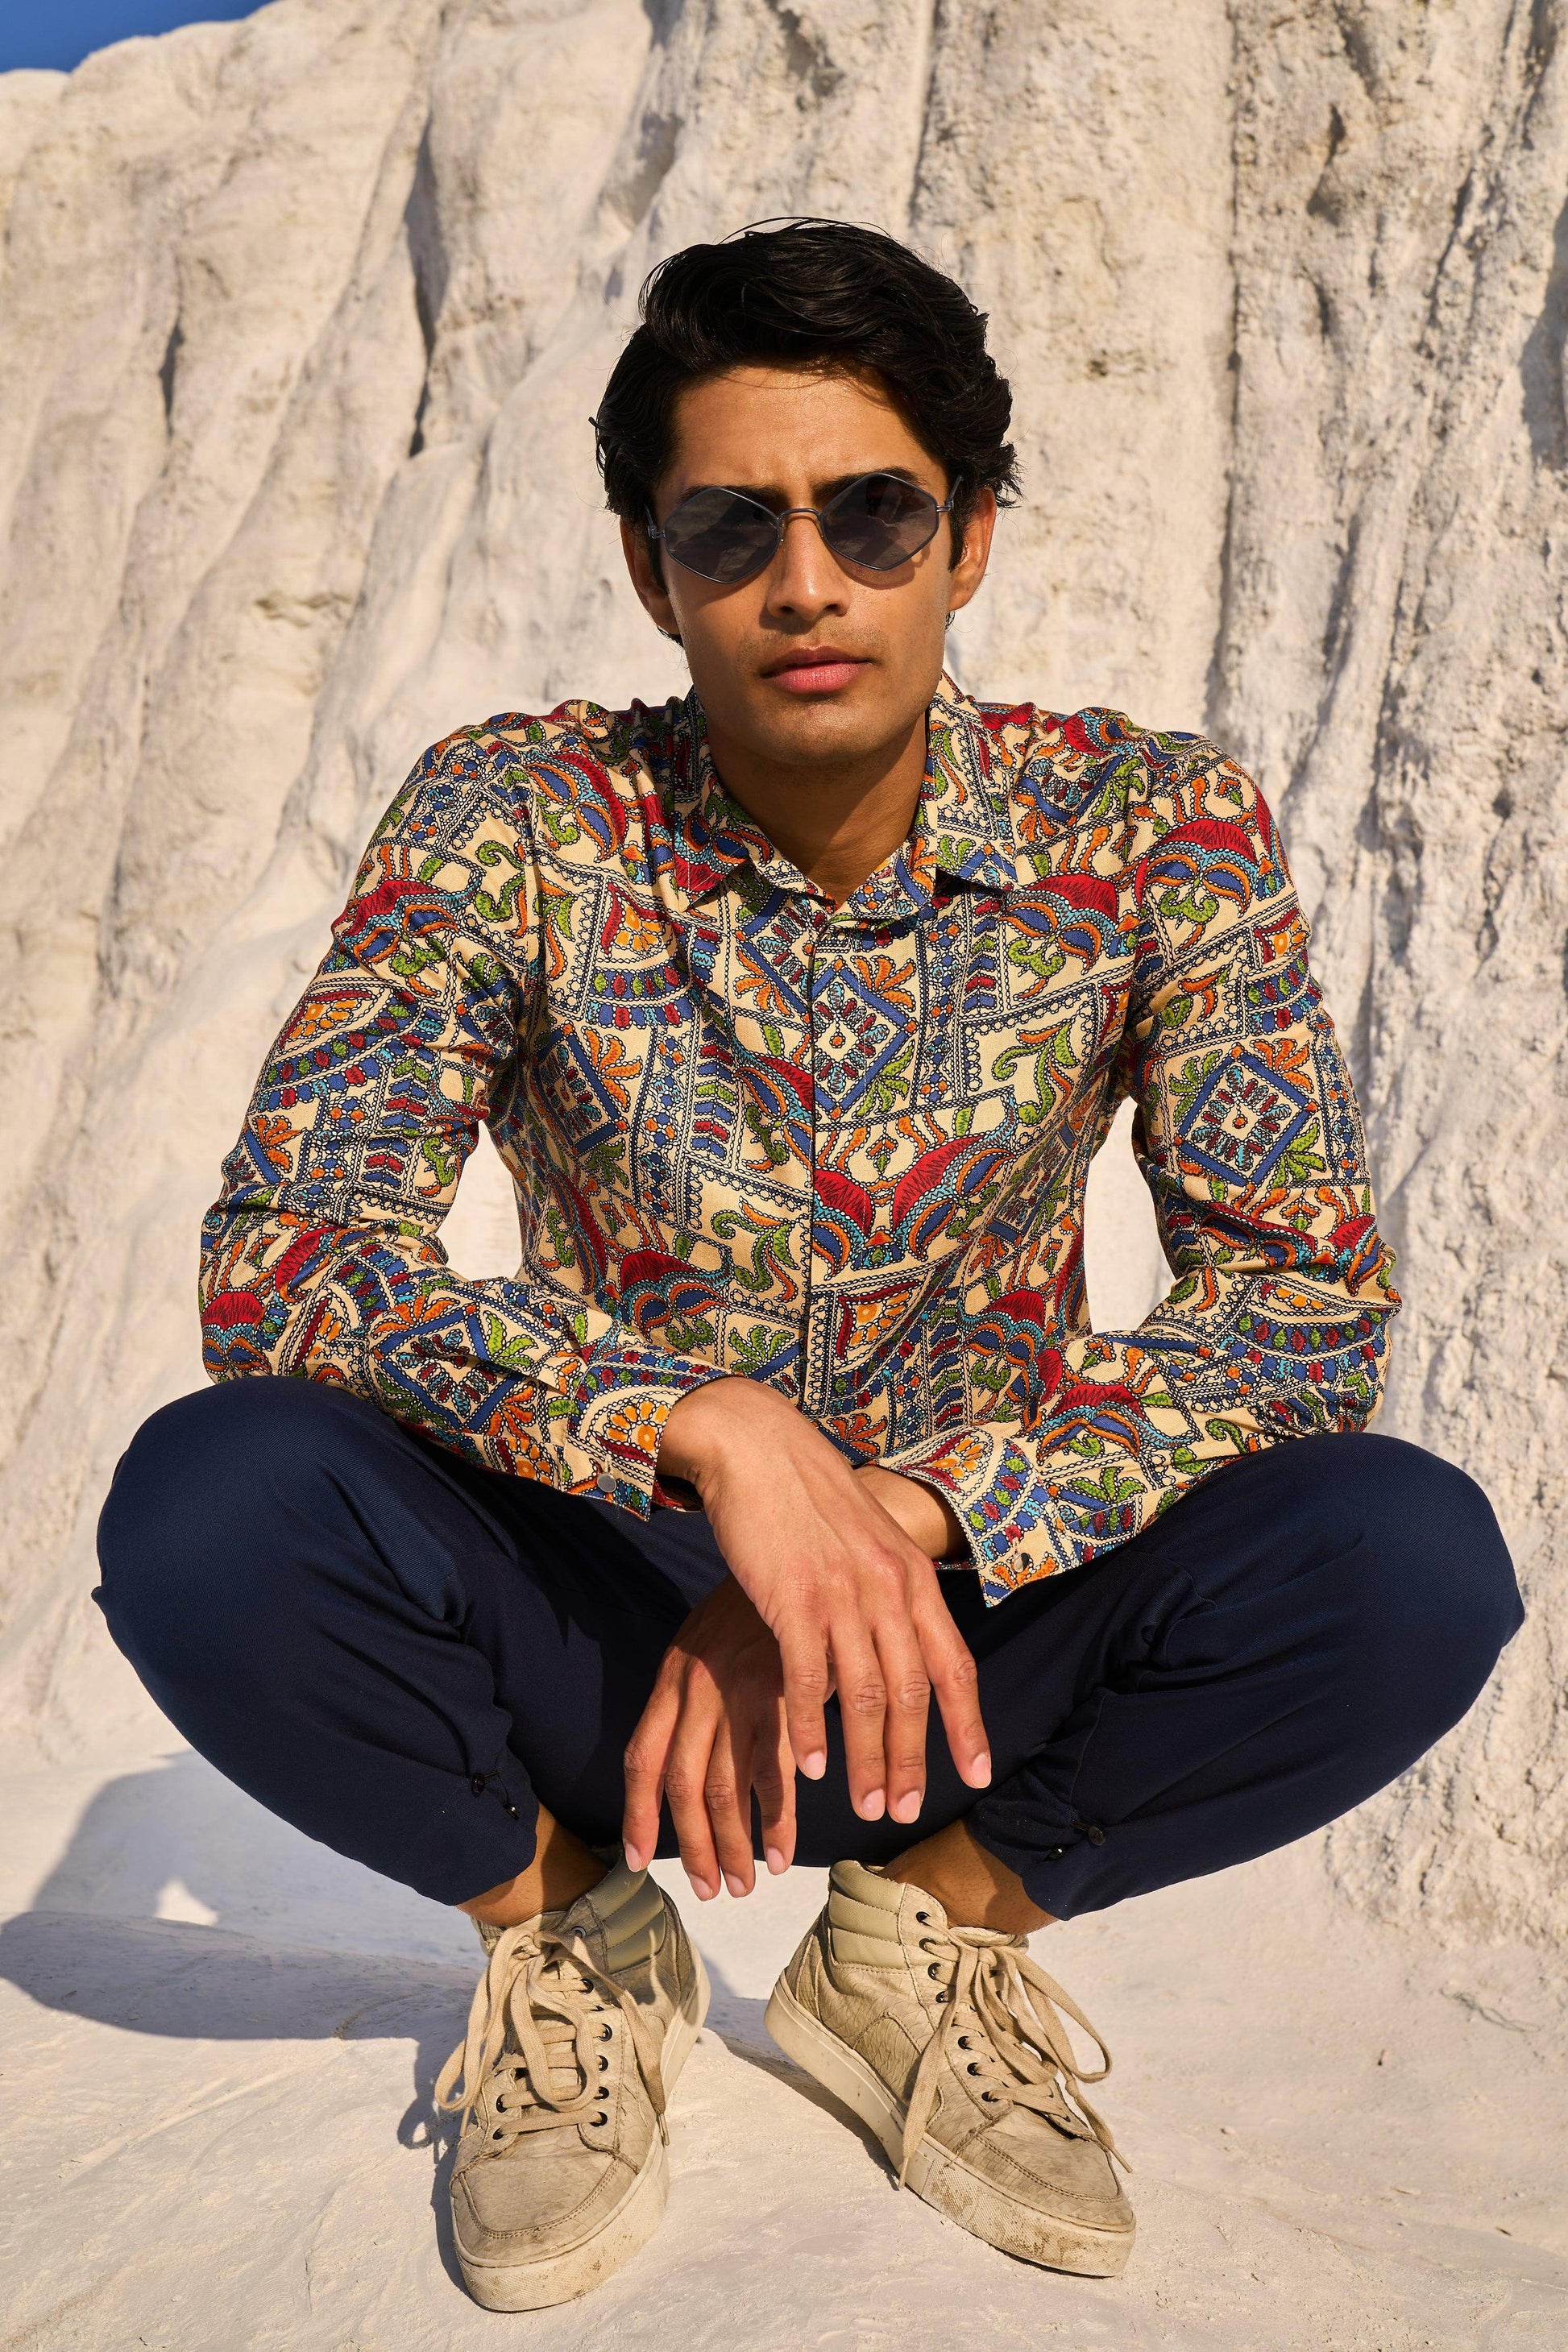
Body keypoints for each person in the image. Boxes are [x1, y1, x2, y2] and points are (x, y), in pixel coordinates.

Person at [95, 218, 1521, 2310]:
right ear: (646, 562)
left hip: (968, 1639)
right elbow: (288, 1253)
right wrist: (705, 1435)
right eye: (730, 523)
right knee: (210, 1509)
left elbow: (1296, 1305)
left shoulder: (1151, 829)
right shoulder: (520, 814)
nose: (805, 579)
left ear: (968, 536)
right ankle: (571, 1938)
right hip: (614, 1637)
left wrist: (910, 1513)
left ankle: (925, 1941)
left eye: (872, 514)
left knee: (1405, 1557)